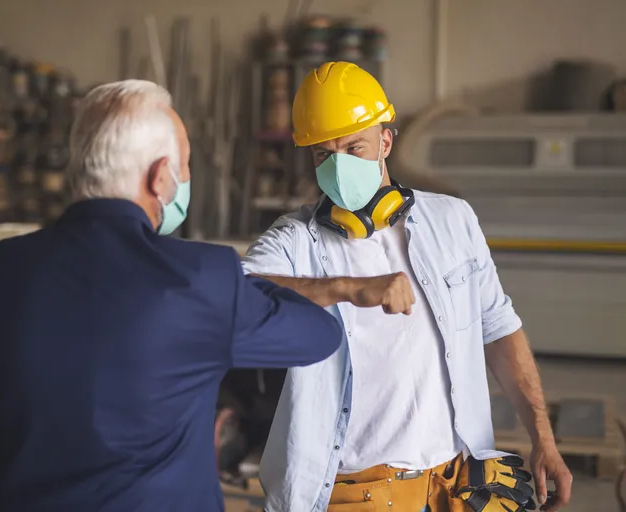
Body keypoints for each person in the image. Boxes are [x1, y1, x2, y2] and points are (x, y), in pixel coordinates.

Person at [0, 80, 412, 512]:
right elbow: (318, 335)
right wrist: (339, 286)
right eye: (186, 167)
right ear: (161, 178)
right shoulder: (199, 276)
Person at [242, 62, 574, 512]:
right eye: (323, 155)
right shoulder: (295, 241)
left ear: (385, 140)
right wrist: (345, 288)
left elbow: (496, 327)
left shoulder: (453, 221)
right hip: (352, 493)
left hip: (456, 484)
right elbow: (238, 296)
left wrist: (543, 437)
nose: (339, 167)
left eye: (354, 147)